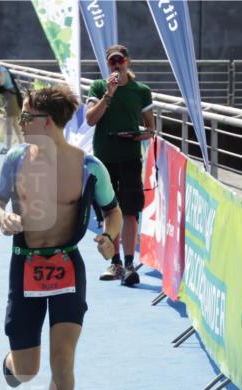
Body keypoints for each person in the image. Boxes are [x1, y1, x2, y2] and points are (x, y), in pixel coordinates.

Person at [0, 84, 124, 390]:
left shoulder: (88, 166)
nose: (21, 120)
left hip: (66, 265)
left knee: (63, 359)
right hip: (25, 265)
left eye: (26, 115)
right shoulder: (15, 159)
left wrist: (110, 237)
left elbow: (112, 210)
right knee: (28, 370)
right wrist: (3, 218)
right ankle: (12, 364)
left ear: (46, 122)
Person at [85, 45, 155, 287]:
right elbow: (90, 119)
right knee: (108, 210)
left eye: (120, 60)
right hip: (104, 158)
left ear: (128, 61)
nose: (116, 64)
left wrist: (142, 135)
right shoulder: (98, 87)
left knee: (130, 211)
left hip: (130, 157)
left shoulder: (142, 91)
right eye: (112, 61)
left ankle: (128, 264)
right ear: (107, 64)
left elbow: (150, 127)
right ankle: (114, 262)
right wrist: (109, 93)